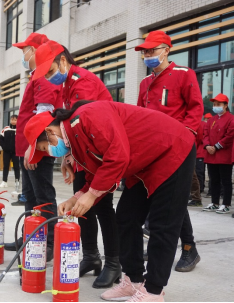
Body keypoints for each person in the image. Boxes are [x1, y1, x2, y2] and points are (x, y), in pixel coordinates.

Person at [25, 101, 195, 302]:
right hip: (142, 163)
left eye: (47, 147)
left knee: (163, 224)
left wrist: (92, 195)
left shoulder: (89, 115)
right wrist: (76, 198)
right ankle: (134, 280)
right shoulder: (75, 140)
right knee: (125, 218)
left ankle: (153, 291)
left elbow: (117, 156)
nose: (52, 152)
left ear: (50, 132)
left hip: (172, 150)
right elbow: (96, 174)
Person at [33, 39, 119, 287]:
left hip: (101, 154)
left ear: (63, 60)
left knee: (102, 206)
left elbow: (88, 126)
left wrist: (72, 155)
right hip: (83, 154)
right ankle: (91, 256)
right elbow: (66, 126)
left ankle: (114, 262)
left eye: (50, 71)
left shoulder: (85, 83)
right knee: (81, 207)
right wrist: (67, 157)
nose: (50, 78)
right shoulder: (66, 85)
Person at [135, 30, 203, 273]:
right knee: (164, 198)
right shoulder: (145, 83)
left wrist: (186, 135)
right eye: (145, 51)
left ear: (166, 50)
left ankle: (188, 247)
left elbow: (196, 108)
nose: (147, 55)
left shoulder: (184, 75)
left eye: (152, 50)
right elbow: (139, 116)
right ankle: (178, 246)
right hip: (152, 150)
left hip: (177, 148)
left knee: (172, 199)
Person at [3, 33, 61, 263]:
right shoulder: (35, 77)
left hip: (36, 148)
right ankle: (31, 235)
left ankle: (49, 242)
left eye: (25, 50)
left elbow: (44, 115)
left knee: (43, 195)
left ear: (37, 51)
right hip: (25, 147)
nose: (24, 56)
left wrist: (34, 148)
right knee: (30, 196)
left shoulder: (45, 78)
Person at [202, 94, 234, 214]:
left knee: (225, 180)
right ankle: (214, 203)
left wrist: (216, 146)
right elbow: (205, 135)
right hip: (211, 155)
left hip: (224, 154)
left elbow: (230, 136)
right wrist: (207, 146)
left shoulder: (231, 119)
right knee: (213, 180)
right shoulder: (211, 120)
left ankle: (225, 204)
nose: (216, 107)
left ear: (226, 105)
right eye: (214, 104)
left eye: (219, 104)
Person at [0, 115, 20, 188]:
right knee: (5, 166)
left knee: (16, 167)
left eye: (15, 120)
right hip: (6, 152)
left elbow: (22, 140)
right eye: (12, 119)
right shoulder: (5, 129)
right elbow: (1, 139)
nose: (13, 121)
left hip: (16, 152)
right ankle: (4, 181)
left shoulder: (19, 130)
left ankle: (17, 181)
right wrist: (4, 147)